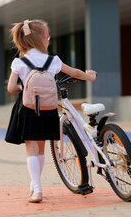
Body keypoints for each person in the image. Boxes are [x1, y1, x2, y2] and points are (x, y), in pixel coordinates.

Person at [7, 19, 96, 203]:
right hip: (48, 108)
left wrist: (23, 88)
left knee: (30, 150)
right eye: (48, 37)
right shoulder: (52, 60)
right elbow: (75, 73)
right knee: (40, 150)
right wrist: (90, 76)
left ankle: (36, 189)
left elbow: (11, 88)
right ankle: (35, 185)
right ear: (41, 40)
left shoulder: (19, 62)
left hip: (28, 107)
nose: (49, 40)